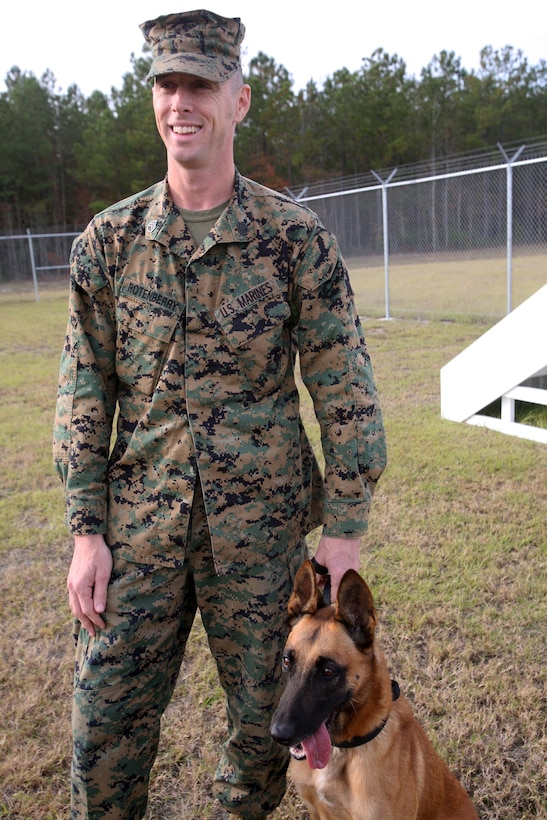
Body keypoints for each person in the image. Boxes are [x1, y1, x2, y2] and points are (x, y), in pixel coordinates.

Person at [53, 9, 386, 819]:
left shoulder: (292, 240)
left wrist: (341, 531)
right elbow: (85, 390)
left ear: (238, 98)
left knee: (262, 724)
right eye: (166, 83)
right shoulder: (110, 241)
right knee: (104, 725)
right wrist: (85, 528)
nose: (181, 101)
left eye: (200, 83)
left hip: (263, 535)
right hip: (139, 530)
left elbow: (342, 386)